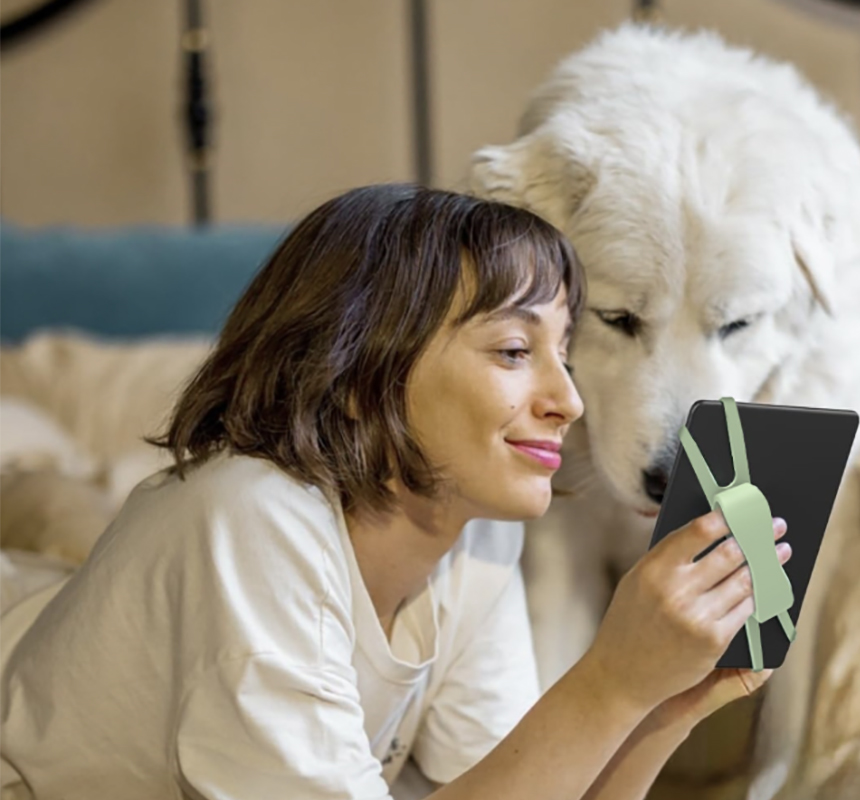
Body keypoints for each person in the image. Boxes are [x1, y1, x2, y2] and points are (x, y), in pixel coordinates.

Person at [0, 185, 792, 800]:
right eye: (515, 349)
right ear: (353, 376)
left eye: (564, 352)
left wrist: (661, 702)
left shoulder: (477, 536)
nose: (570, 400)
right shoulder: (253, 513)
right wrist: (610, 677)